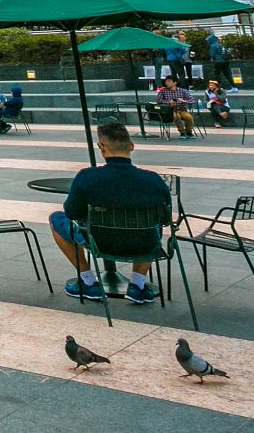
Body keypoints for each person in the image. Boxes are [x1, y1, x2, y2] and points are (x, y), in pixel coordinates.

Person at [50, 121, 171, 305]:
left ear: (101, 147)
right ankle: (137, 285)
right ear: (131, 146)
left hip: (99, 243)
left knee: (56, 218)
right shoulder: (153, 180)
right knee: (152, 226)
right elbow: (165, 218)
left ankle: (88, 281)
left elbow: (72, 213)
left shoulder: (87, 177)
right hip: (144, 244)